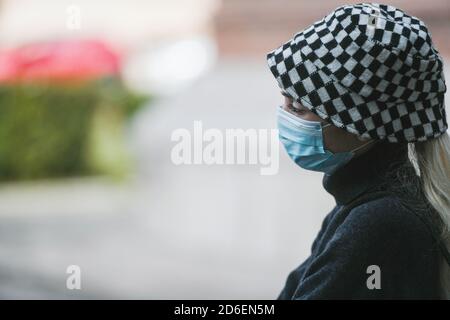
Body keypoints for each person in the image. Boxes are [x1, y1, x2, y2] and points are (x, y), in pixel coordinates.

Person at [266, 3, 450, 299]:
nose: (284, 114)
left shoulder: (379, 223)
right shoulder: (363, 204)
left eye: (298, 107)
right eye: (285, 101)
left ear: (362, 125)